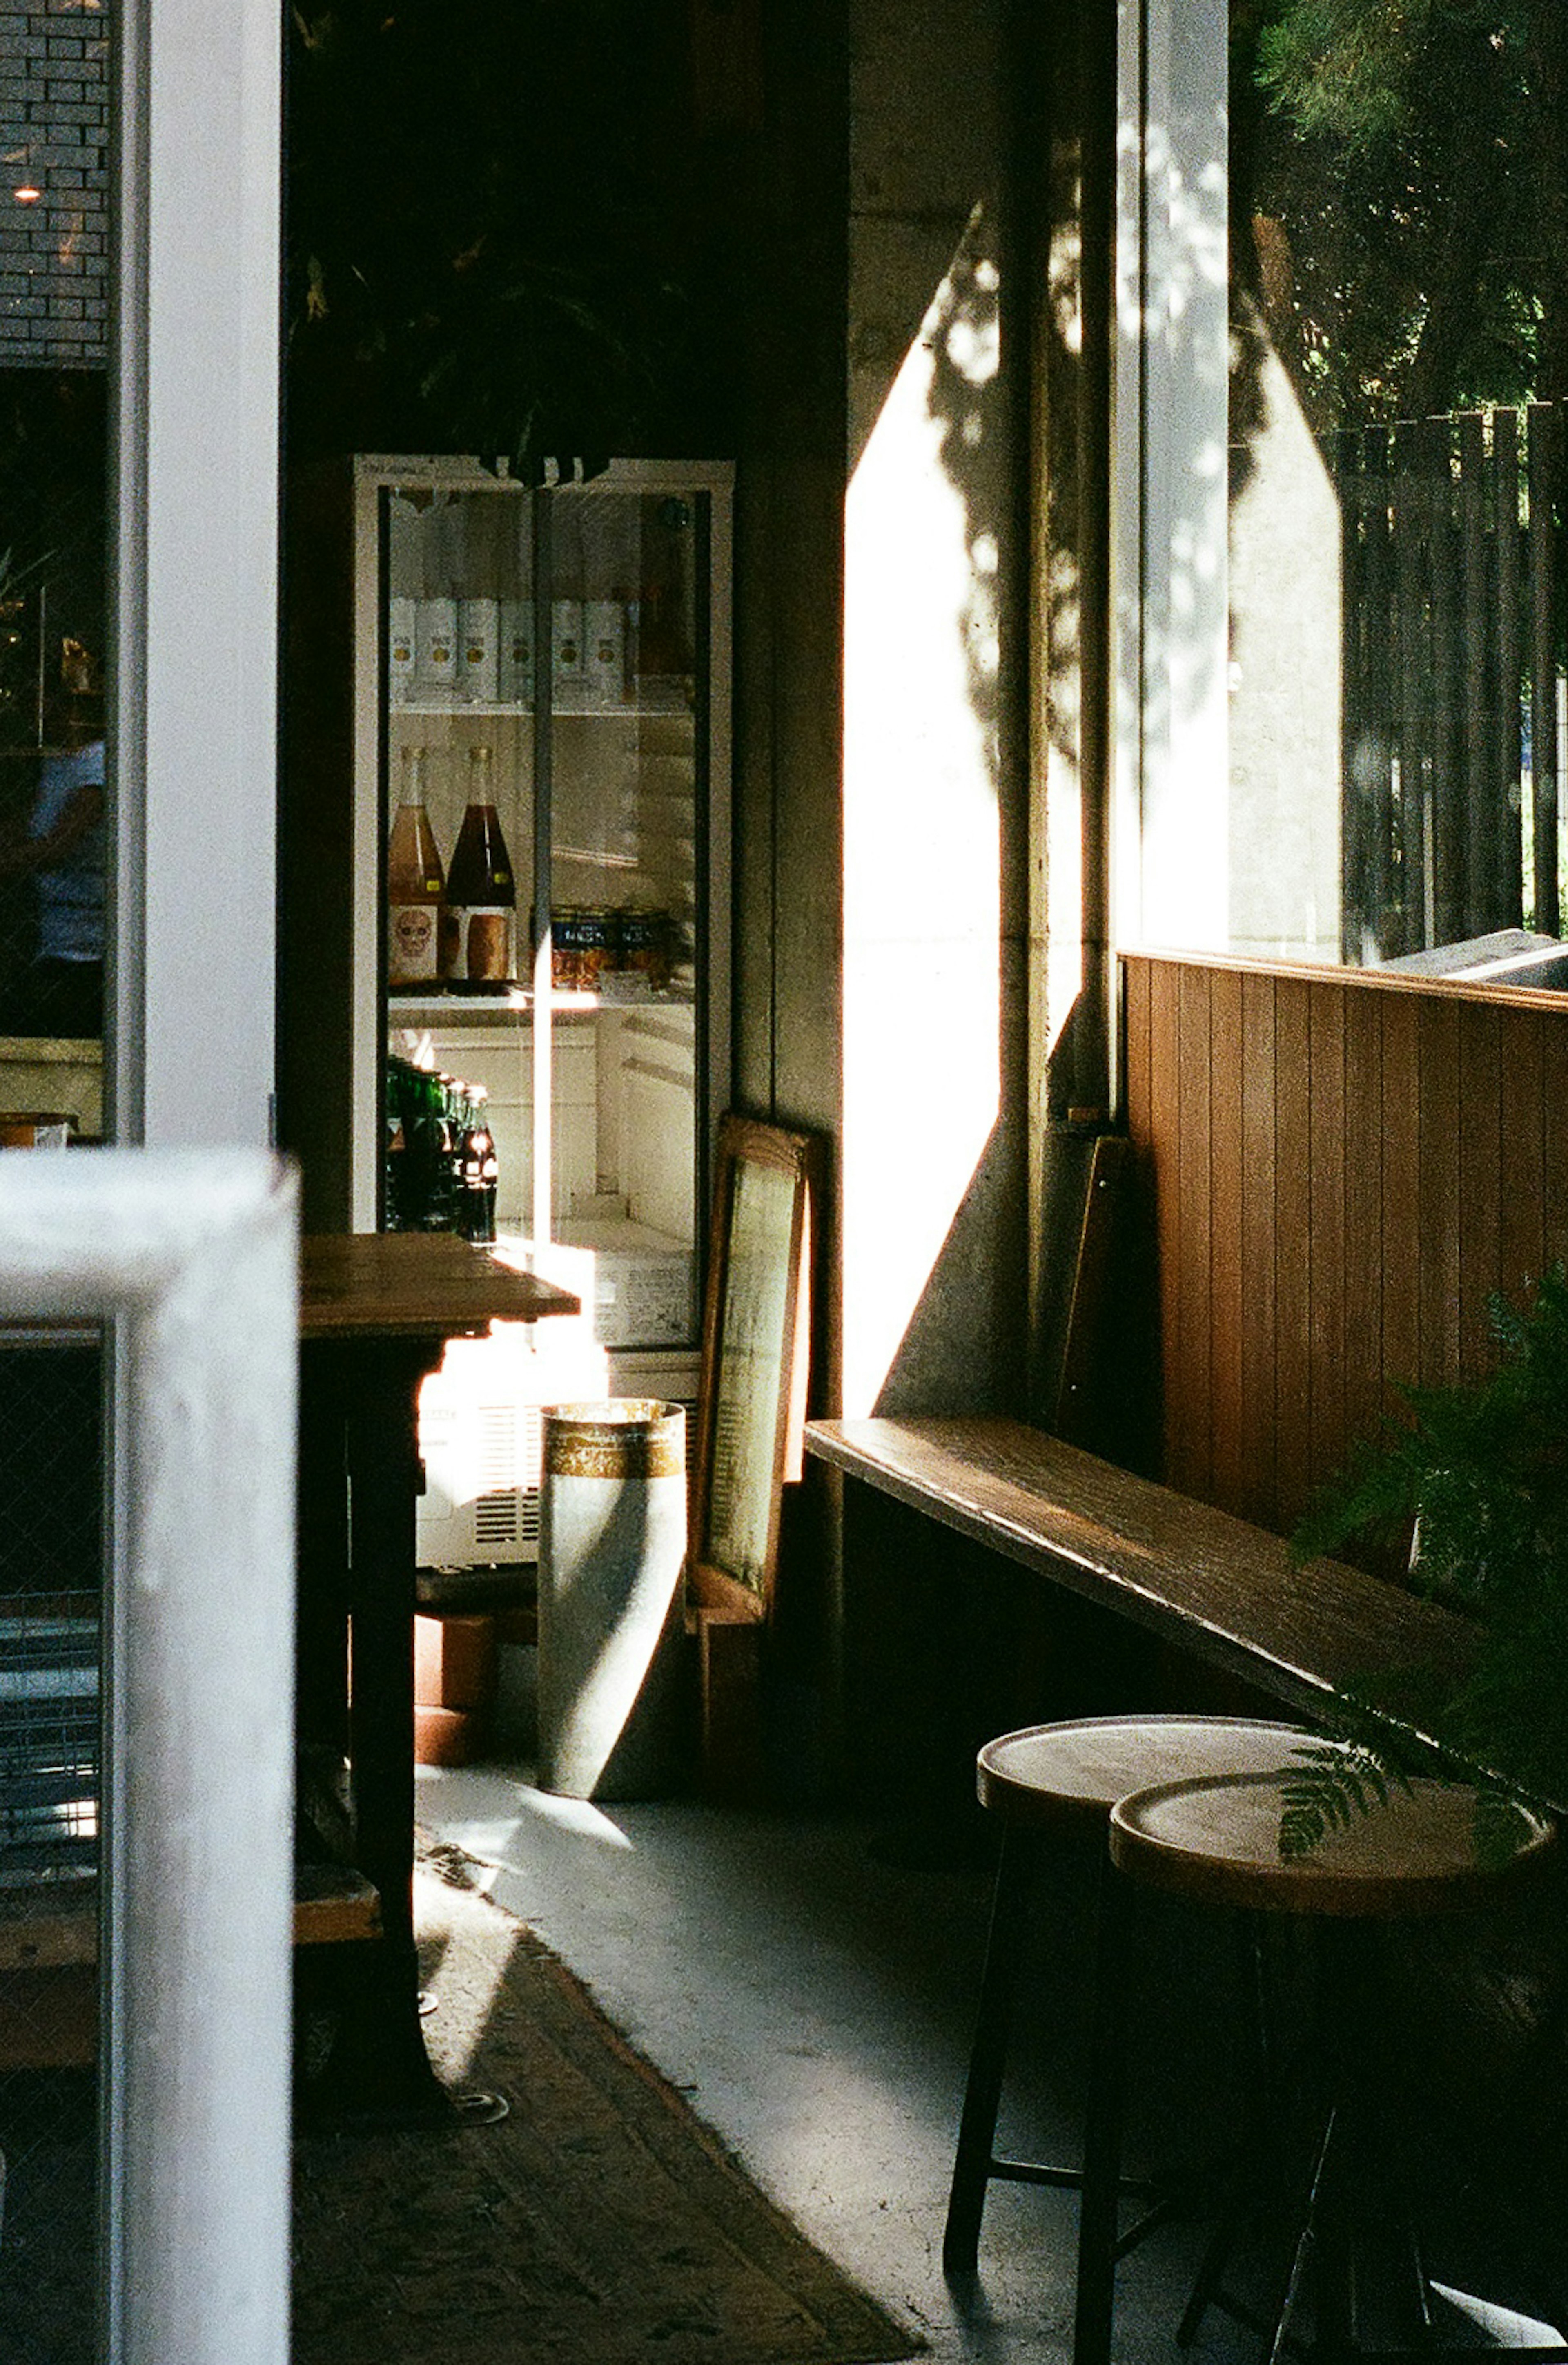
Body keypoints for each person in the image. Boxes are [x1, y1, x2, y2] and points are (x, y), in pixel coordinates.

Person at [0, 692, 105, 1038]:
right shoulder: (58, 761)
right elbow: (29, 825)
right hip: (51, 933)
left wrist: (10, 862)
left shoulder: (100, 762)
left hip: (87, 946)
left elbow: (61, 845)